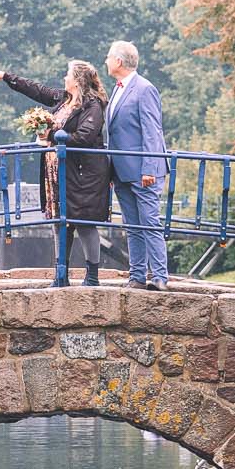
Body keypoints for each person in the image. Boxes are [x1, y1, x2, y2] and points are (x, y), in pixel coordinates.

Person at [0, 61, 111, 284]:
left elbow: (85, 137)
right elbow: (36, 89)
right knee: (59, 222)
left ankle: (92, 277)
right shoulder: (63, 99)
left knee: (84, 223)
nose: (64, 78)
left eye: (68, 75)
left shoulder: (92, 106)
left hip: (83, 175)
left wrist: (51, 136)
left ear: (78, 80)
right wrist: (5, 76)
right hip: (57, 175)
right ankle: (61, 274)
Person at [103, 40, 169, 288]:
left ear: (119, 61)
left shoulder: (144, 89)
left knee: (149, 223)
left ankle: (160, 277)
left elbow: (152, 132)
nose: (106, 61)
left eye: (109, 57)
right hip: (121, 172)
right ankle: (137, 276)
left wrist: (150, 169)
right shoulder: (117, 89)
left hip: (143, 172)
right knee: (132, 226)